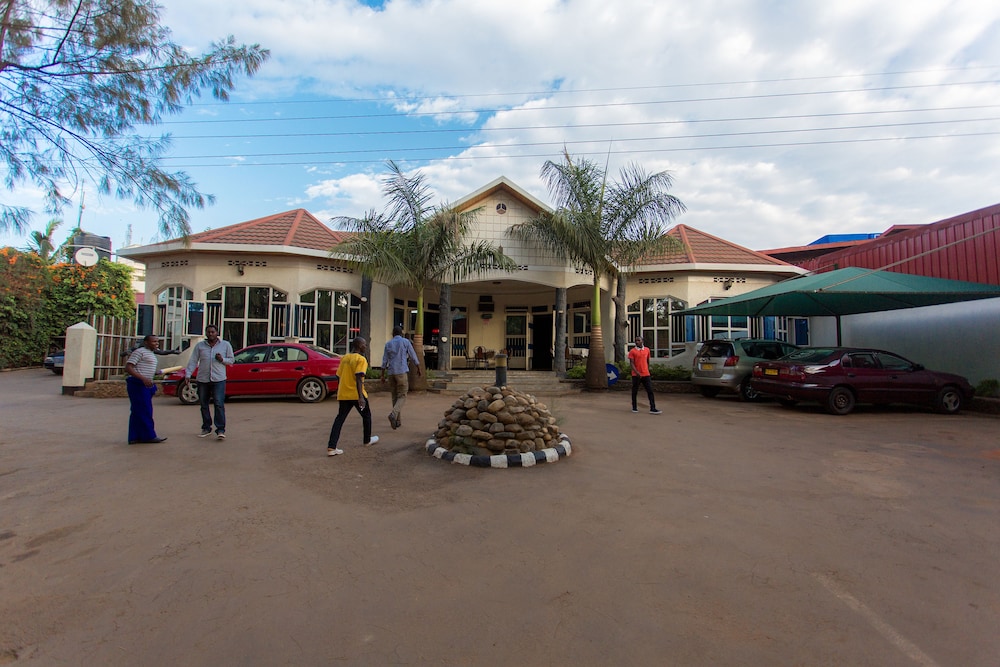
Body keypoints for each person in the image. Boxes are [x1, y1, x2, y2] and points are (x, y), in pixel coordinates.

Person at [328, 336, 379, 456]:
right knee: (366, 416)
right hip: (356, 395)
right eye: (364, 344)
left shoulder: (345, 358)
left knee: (339, 419)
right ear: (359, 346)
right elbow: (359, 377)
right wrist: (361, 397)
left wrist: (340, 390)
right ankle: (367, 440)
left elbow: (338, 376)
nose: (365, 346)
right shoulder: (360, 359)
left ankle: (331, 446)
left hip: (344, 395)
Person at [183, 325, 235, 440]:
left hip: (218, 379)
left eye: (213, 332)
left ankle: (220, 429)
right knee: (204, 404)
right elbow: (193, 360)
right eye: (208, 332)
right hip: (203, 379)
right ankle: (206, 427)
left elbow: (231, 360)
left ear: (217, 333)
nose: (210, 334)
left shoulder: (225, 345)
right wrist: (188, 374)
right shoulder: (200, 346)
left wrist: (222, 360)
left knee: (218, 403)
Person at [124, 334, 168, 444]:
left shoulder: (151, 354)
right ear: (146, 342)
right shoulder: (139, 352)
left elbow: (144, 367)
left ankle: (135, 436)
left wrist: (155, 372)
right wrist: (143, 378)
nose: (157, 344)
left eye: (157, 341)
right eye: (154, 342)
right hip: (138, 384)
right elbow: (128, 367)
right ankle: (149, 435)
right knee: (145, 410)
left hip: (146, 384)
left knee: (137, 411)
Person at [380, 326, 421, 430]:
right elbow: (412, 355)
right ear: (401, 333)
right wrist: (418, 367)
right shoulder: (405, 342)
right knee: (402, 395)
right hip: (401, 371)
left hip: (391, 372)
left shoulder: (388, 344)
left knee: (394, 396)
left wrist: (382, 375)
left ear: (393, 333)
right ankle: (393, 415)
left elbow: (384, 360)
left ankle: (397, 421)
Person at [627, 336, 662, 414]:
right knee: (635, 391)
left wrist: (647, 370)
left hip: (646, 374)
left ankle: (653, 408)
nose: (637, 342)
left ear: (642, 341)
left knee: (650, 391)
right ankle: (634, 407)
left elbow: (647, 361)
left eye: (638, 340)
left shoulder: (647, 350)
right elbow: (632, 363)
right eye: (636, 340)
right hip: (636, 375)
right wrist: (636, 372)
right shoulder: (632, 351)